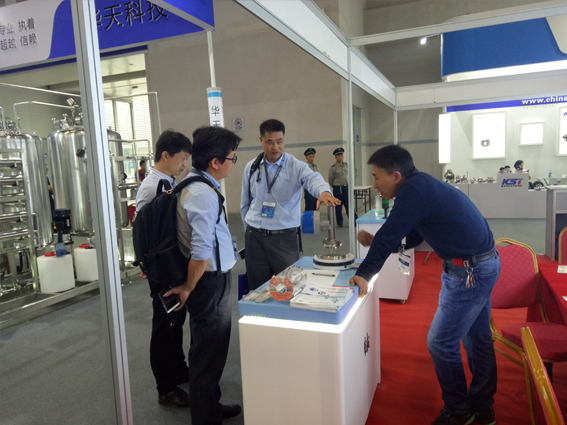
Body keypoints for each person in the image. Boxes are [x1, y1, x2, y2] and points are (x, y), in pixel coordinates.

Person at [350, 145, 500, 425]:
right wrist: (383, 242)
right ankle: (483, 406)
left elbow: (392, 231)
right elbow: (415, 234)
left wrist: (365, 273)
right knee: (477, 339)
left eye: (376, 177)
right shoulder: (422, 184)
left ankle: (459, 411)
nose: (374, 185)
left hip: (469, 272)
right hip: (482, 264)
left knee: (441, 343)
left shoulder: (413, 191)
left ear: (396, 176)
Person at [166, 126, 242, 425]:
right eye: (232, 158)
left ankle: (210, 405)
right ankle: (205, 418)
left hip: (209, 281)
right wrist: (188, 286)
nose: (233, 163)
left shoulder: (197, 185)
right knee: (208, 354)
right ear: (215, 162)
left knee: (208, 350)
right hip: (207, 283)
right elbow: (200, 251)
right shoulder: (202, 194)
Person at [241, 119, 340, 291]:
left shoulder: (296, 166)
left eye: (279, 141)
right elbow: (245, 203)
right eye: (270, 142)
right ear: (261, 140)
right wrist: (248, 230)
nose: (275, 147)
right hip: (254, 239)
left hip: (284, 239)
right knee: (257, 290)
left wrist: (324, 192)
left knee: (289, 289)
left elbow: (313, 179)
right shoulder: (252, 167)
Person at [134, 130, 192, 407]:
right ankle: (165, 389)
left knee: (175, 321)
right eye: (182, 158)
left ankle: (178, 369)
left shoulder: (167, 181)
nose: (184, 164)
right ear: (166, 155)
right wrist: (146, 264)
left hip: (170, 264)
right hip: (161, 269)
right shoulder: (152, 186)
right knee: (163, 325)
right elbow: (141, 229)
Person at [328, 147, 357, 226]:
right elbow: (330, 180)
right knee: (338, 207)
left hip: (346, 187)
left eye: (341, 155)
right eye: (338, 156)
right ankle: (340, 222)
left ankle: (354, 221)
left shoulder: (346, 165)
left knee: (349, 205)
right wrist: (336, 186)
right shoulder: (333, 168)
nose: (340, 157)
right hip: (338, 188)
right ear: (336, 157)